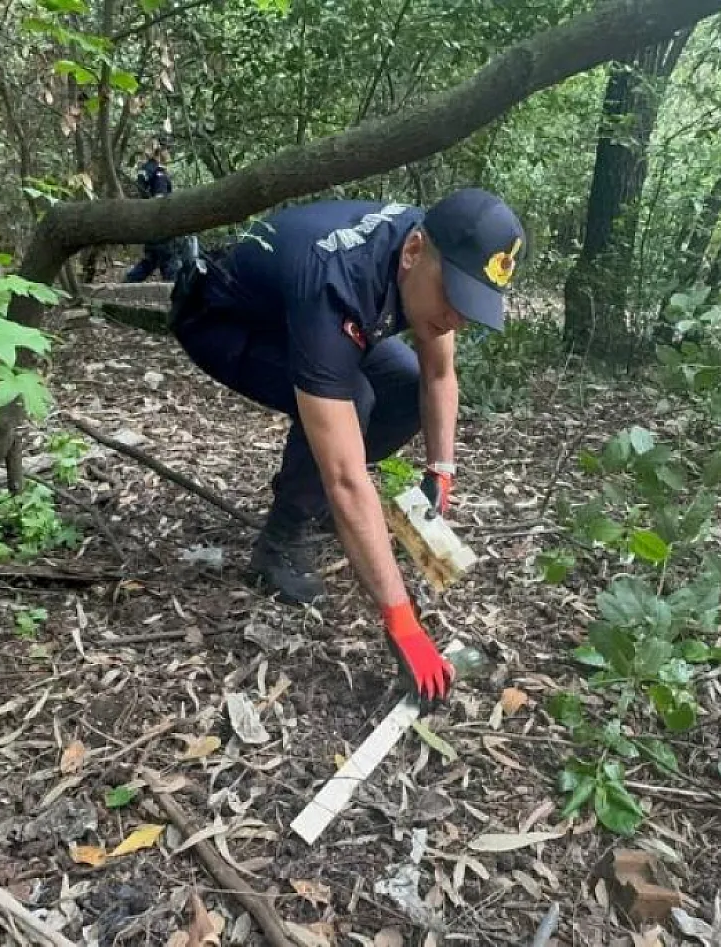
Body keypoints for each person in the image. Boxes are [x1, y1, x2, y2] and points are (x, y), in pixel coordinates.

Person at [168, 189, 526, 701]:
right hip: (225, 322)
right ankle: (282, 540)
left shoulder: (429, 255)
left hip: (296, 320)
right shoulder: (337, 282)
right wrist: (402, 621)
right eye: (453, 297)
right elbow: (346, 475)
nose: (457, 318)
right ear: (414, 252)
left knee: (402, 384)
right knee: (350, 405)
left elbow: (439, 374)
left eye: (471, 304)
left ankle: (321, 510)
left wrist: (441, 469)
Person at [124, 142, 179, 282]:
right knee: (168, 257)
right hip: (159, 222)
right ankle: (173, 291)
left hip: (154, 222)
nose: (169, 154)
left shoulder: (153, 170)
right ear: (160, 151)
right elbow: (156, 197)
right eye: (168, 150)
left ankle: (128, 282)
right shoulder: (156, 171)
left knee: (151, 260)